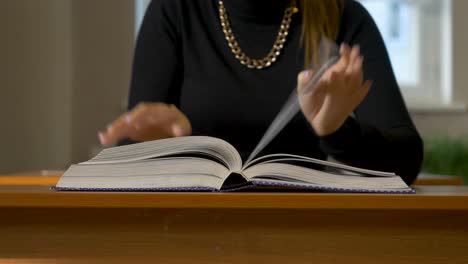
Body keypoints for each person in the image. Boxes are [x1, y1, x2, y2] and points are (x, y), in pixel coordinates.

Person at [98, 0, 423, 184]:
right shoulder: (174, 11)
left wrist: (338, 131)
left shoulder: (342, 16)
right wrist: (166, 144)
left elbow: (407, 162)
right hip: (190, 231)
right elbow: (131, 155)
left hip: (306, 234)